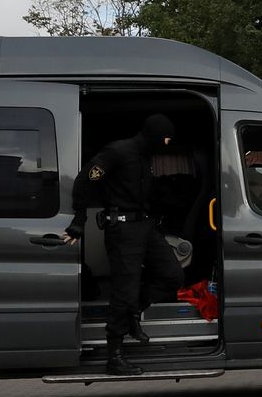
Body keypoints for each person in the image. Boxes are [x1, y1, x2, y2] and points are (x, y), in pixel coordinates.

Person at [64, 114, 185, 376]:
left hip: (144, 226)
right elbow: (86, 179)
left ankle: (133, 313)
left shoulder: (146, 156)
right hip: (122, 229)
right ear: (154, 134)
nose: (166, 143)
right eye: (165, 138)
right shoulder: (118, 151)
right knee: (124, 290)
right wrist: (79, 219)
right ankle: (115, 357)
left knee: (172, 275)